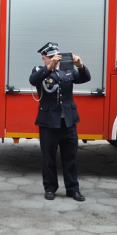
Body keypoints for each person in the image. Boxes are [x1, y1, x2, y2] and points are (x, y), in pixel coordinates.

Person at [29, 42, 91, 202]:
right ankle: (50, 188)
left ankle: (73, 189)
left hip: (68, 121)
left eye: (56, 56)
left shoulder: (67, 70)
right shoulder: (39, 70)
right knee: (48, 158)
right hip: (49, 123)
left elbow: (85, 78)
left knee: (71, 157)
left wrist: (80, 65)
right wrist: (49, 67)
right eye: (50, 57)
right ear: (43, 58)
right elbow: (33, 80)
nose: (54, 59)